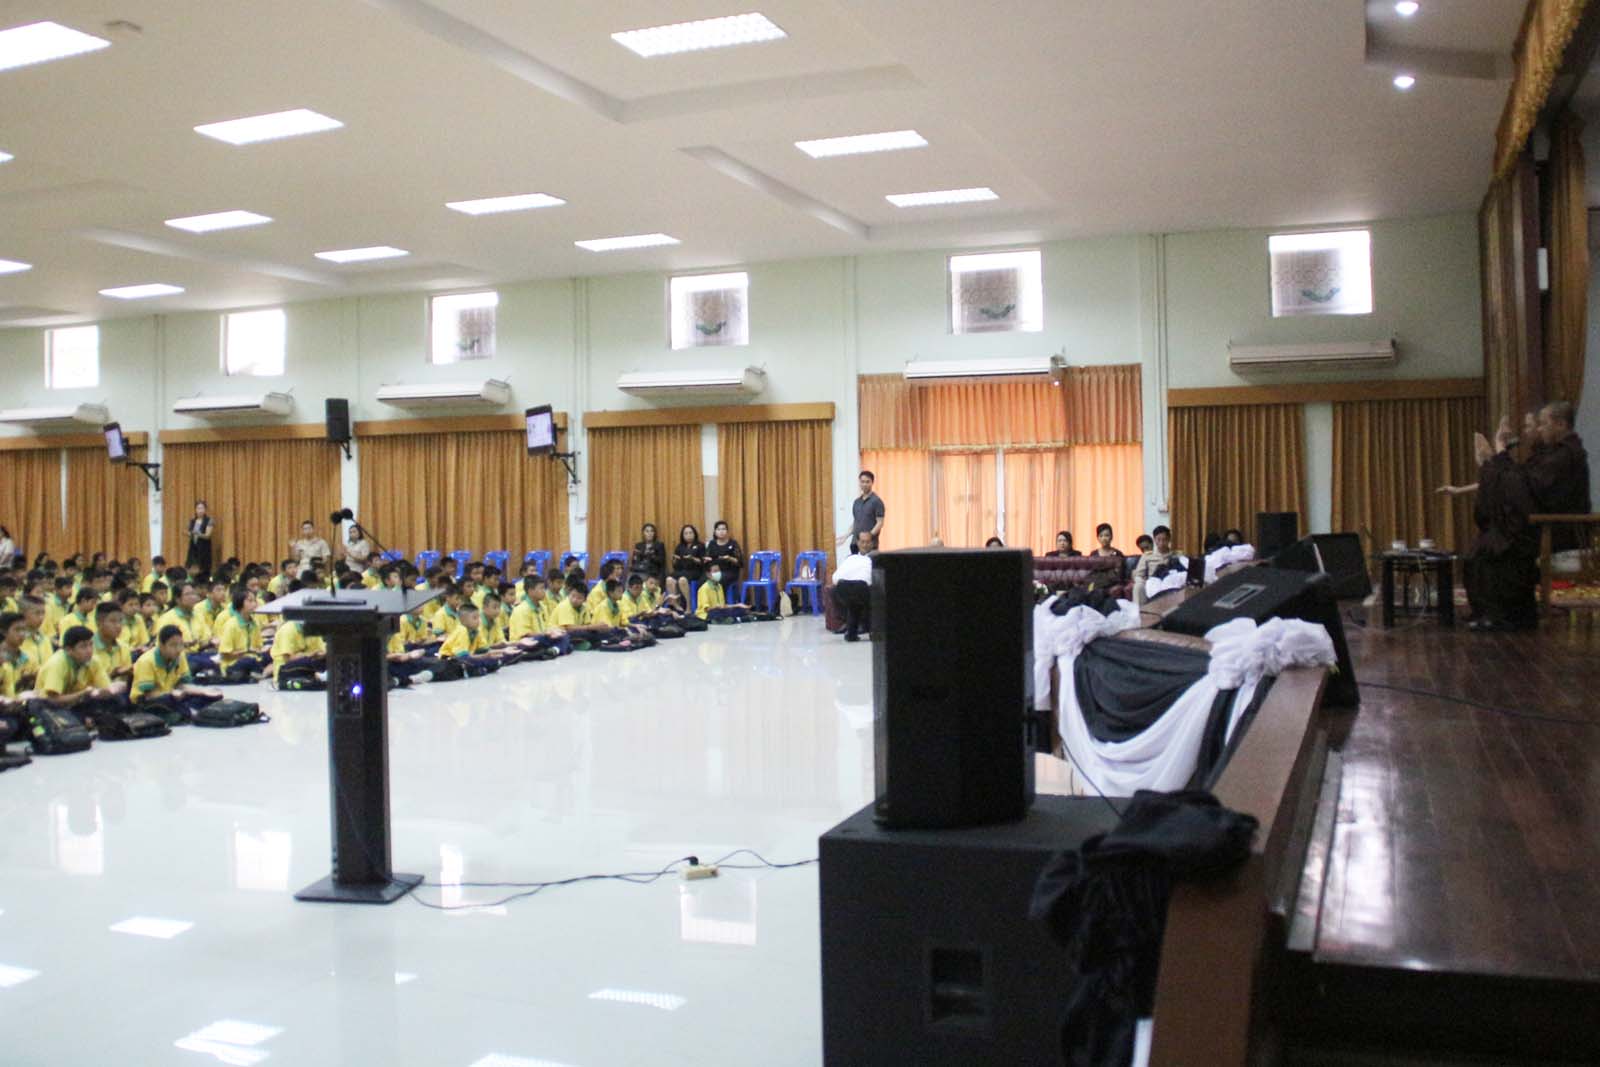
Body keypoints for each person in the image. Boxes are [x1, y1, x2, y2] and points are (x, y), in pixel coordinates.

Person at [36, 625, 128, 727]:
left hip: (78, 703)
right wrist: (81, 694)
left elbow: (104, 689)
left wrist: (111, 690)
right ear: (69, 649)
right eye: (83, 646)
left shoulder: (93, 661)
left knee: (117, 700)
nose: (89, 650)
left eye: (91, 645)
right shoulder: (56, 664)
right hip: (49, 707)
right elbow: (52, 700)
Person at [133, 625, 222, 721]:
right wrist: (171, 693)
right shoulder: (146, 661)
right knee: (169, 700)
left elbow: (182, 685)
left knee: (213, 696)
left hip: (174, 696)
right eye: (173, 645)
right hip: (149, 701)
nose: (178, 649)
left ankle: (186, 711)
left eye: (181, 644)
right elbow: (148, 695)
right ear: (162, 646)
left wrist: (203, 691)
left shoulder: (180, 656)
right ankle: (187, 712)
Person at [215, 589, 269, 683]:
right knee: (249, 661)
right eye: (250, 601)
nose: (254, 604)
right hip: (233, 663)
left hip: (253, 658)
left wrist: (263, 650)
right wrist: (246, 651)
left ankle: (258, 673)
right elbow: (225, 653)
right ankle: (259, 673)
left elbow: (258, 647)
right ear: (240, 603)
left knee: (271, 656)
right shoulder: (231, 625)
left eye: (255, 601)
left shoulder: (254, 623)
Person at [832, 531, 876, 641]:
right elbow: (835, 577)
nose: (865, 545)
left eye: (867, 542)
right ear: (857, 543)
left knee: (855, 603)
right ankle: (870, 631)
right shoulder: (850, 558)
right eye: (862, 542)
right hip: (848, 588)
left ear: (872, 543)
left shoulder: (875, 558)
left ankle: (852, 632)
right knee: (855, 599)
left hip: (859, 588)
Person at [1130, 525, 1182, 606]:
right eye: (1158, 540)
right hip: (1153, 585)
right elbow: (1139, 575)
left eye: (1164, 540)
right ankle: (1140, 612)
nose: (1161, 543)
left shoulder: (1177, 555)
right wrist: (1144, 582)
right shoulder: (1147, 556)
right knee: (1138, 586)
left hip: (1170, 584)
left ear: (1169, 540)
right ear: (1154, 540)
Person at [90, 602, 134, 685]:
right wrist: (112, 675)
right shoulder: (88, 649)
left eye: (120, 621)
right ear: (99, 623)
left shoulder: (124, 647)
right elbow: (87, 686)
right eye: (113, 621)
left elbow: (126, 680)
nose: (118, 626)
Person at [840, 471, 885, 549]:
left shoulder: (877, 501)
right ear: (859, 483)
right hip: (855, 543)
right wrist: (845, 536)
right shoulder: (856, 502)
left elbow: (880, 523)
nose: (864, 484)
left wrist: (869, 536)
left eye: (867, 482)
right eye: (862, 482)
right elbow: (856, 522)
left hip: (869, 545)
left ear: (872, 483)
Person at [670, 524, 706, 610]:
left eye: (690, 533)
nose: (688, 535)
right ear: (682, 535)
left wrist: (693, 558)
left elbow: (703, 562)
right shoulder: (680, 547)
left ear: (694, 534)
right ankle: (675, 605)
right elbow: (675, 566)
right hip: (682, 570)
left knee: (682, 579)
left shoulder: (700, 545)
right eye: (686, 533)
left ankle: (688, 606)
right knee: (669, 579)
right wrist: (674, 560)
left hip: (695, 571)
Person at [706, 521, 744, 593]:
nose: (721, 531)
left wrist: (730, 558)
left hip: (730, 571)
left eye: (723, 529)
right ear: (715, 532)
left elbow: (740, 562)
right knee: (703, 579)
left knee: (716, 579)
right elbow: (708, 558)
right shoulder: (712, 543)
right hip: (715, 570)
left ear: (727, 531)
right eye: (719, 529)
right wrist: (707, 561)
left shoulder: (733, 543)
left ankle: (721, 599)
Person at [185, 500, 215, 577]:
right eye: (198, 508)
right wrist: (188, 533)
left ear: (205, 510)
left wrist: (197, 534)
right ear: (195, 510)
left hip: (204, 548)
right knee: (191, 568)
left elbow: (207, 535)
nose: (200, 510)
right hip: (193, 548)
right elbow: (188, 531)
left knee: (203, 569)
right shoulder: (192, 521)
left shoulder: (209, 520)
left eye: (202, 508)